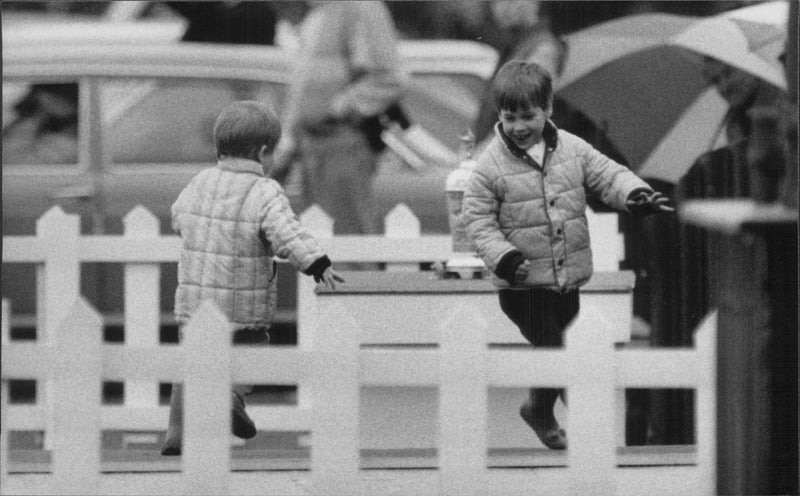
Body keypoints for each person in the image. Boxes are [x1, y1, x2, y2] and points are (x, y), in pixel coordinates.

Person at [461, 61, 672, 450]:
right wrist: (504, 256)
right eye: (510, 118)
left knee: (564, 348)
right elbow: (476, 219)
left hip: (566, 279)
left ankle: (547, 409)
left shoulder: (572, 149)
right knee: (556, 350)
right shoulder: (491, 164)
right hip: (521, 284)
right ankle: (564, 416)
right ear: (500, 117)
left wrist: (634, 195)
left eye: (528, 116)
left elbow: (608, 175)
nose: (519, 126)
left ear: (548, 109)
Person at [161, 100, 344, 456]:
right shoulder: (263, 191)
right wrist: (317, 264)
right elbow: (286, 233)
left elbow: (178, 217)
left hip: (196, 304)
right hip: (242, 305)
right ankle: (230, 396)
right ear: (263, 153)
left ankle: (176, 433)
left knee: (191, 364)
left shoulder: (199, 182)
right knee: (250, 351)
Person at [270, 1, 407, 240]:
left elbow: (389, 78)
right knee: (325, 250)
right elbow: (303, 89)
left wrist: (336, 109)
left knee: (348, 252)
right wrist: (289, 141)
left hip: (342, 147)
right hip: (315, 149)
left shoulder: (359, 7)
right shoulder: (320, 11)